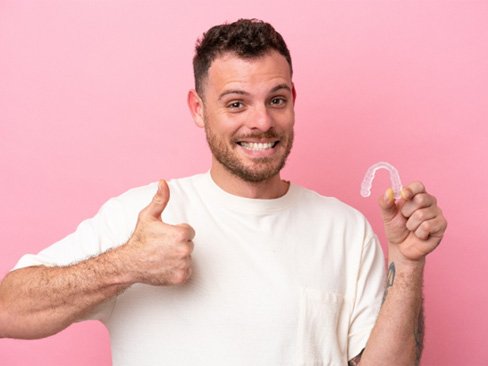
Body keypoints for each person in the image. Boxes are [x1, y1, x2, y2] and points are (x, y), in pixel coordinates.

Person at [0, 19, 447, 366]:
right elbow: (8, 312)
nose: (262, 122)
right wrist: (125, 264)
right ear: (199, 109)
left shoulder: (345, 229)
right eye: (236, 103)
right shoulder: (143, 219)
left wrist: (407, 263)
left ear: (293, 98)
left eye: (276, 99)